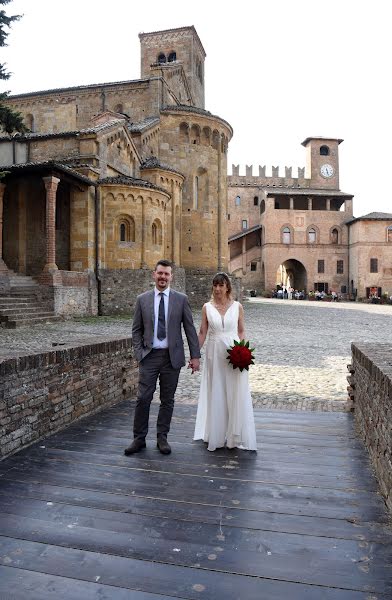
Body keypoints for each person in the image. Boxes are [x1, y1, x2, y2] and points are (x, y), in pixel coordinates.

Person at [124, 259, 200, 456]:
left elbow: (190, 329)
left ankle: (162, 437)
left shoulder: (181, 299)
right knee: (143, 398)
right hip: (149, 356)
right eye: (160, 273)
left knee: (168, 400)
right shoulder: (143, 299)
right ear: (154, 275)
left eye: (166, 274)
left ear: (171, 277)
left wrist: (195, 356)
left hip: (171, 358)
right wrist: (139, 353)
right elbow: (136, 329)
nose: (163, 277)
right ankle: (139, 439)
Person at [193, 272, 257, 452]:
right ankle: (217, 433)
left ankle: (234, 434)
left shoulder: (238, 307)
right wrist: (195, 354)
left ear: (227, 287)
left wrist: (243, 350)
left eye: (221, 285)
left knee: (233, 392)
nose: (217, 289)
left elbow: (241, 331)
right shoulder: (207, 307)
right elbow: (202, 332)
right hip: (213, 353)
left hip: (233, 353)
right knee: (217, 391)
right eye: (215, 285)